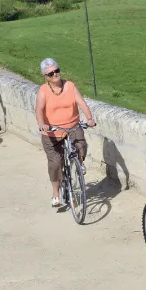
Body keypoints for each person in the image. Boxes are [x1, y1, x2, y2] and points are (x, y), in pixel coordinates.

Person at [35, 58, 96, 207]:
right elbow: (39, 109)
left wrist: (89, 118)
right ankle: (56, 193)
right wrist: (42, 124)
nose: (55, 74)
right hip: (52, 132)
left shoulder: (70, 86)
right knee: (55, 163)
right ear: (45, 76)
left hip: (72, 126)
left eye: (57, 71)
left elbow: (81, 103)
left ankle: (79, 164)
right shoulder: (43, 91)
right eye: (50, 73)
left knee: (81, 145)